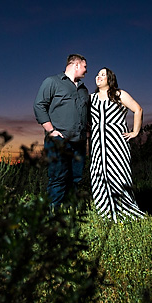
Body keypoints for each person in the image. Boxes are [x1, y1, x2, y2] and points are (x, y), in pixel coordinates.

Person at [89, 67, 146, 222]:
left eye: (103, 75)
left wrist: (135, 132)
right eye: (97, 74)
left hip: (116, 144)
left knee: (119, 175)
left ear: (110, 79)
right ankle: (105, 212)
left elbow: (138, 109)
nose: (98, 77)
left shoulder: (119, 94)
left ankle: (125, 212)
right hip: (97, 145)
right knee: (98, 176)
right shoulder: (91, 98)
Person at [33, 54, 91, 207]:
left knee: (76, 178)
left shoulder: (84, 89)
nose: (86, 70)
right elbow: (39, 106)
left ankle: (70, 212)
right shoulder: (52, 82)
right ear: (76, 65)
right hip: (59, 139)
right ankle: (53, 214)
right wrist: (51, 130)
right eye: (85, 66)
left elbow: (87, 114)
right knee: (58, 177)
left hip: (79, 141)